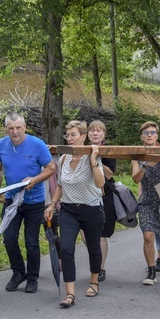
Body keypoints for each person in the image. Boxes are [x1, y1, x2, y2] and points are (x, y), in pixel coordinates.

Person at [0, 112, 56, 294]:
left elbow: (50, 168)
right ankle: (19, 272)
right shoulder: (1, 145)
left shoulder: (37, 145)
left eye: (18, 128)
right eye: (11, 128)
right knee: (9, 238)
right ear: (6, 129)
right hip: (12, 200)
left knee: (31, 241)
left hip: (34, 201)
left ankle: (33, 278)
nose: (15, 132)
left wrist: (35, 180)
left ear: (25, 127)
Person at [45, 121, 105, 308]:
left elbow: (100, 184)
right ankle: (70, 294)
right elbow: (61, 185)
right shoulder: (63, 158)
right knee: (66, 249)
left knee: (93, 247)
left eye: (73, 135)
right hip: (69, 210)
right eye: (68, 135)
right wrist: (52, 203)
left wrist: (94, 162)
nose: (70, 138)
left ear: (83, 136)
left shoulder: (91, 156)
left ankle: (94, 282)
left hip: (92, 209)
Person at [131, 121, 160, 285]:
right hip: (147, 200)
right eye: (146, 133)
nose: (149, 135)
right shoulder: (137, 155)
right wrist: (144, 166)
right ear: (142, 136)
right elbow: (135, 179)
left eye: (152, 133)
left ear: (157, 135)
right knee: (148, 236)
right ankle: (151, 271)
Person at [87, 120, 117, 283]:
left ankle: (101, 268)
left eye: (99, 131)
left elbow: (110, 174)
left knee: (101, 235)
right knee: (86, 234)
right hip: (85, 194)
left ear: (104, 134)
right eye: (92, 131)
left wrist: (96, 158)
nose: (95, 133)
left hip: (104, 195)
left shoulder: (109, 151)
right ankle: (95, 257)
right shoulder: (81, 149)